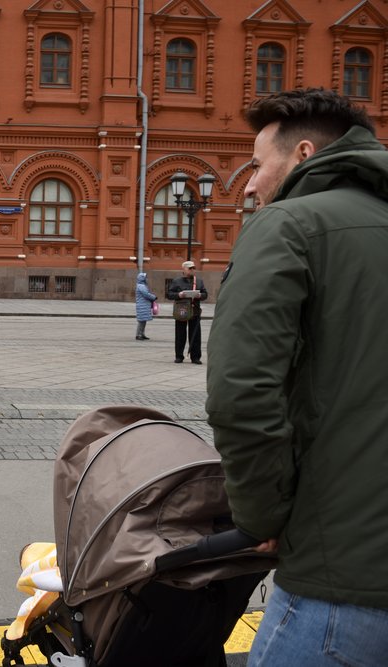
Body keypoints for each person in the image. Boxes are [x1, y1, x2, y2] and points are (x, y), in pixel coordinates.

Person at [206, 88, 388, 666]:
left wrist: (262, 518)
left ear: (303, 153)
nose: (250, 185)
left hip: (341, 579)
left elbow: (241, 395)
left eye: (258, 165)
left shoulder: (289, 226)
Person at [166, 260, 207, 364]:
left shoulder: (199, 281)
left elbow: (205, 294)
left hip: (195, 311)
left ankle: (195, 357)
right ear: (183, 270)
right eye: (190, 268)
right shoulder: (177, 281)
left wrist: (199, 295)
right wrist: (179, 295)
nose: (192, 270)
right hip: (182, 311)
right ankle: (179, 356)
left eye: (193, 268)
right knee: (180, 334)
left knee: (195, 335)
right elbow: (169, 294)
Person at [134, 272, 156, 341]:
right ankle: (138, 335)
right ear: (142, 278)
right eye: (145, 277)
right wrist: (154, 297)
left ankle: (142, 334)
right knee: (141, 321)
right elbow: (146, 294)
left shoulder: (142, 285)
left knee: (143, 321)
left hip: (143, 305)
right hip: (142, 305)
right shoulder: (141, 286)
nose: (147, 279)